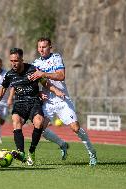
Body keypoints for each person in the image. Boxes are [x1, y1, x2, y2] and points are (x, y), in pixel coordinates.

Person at [29, 37, 97, 166]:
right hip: (48, 101)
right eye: (39, 47)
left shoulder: (56, 57)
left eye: (44, 47)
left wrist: (43, 74)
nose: (41, 49)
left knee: (75, 128)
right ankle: (62, 144)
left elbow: (61, 76)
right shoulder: (36, 63)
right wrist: (39, 92)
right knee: (40, 128)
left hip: (62, 99)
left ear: (50, 47)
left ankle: (92, 152)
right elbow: (33, 82)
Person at [0, 48, 64, 166]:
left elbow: (45, 83)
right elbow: (3, 88)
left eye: (16, 60)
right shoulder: (9, 74)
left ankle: (32, 150)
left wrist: (56, 91)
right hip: (19, 103)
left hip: (34, 102)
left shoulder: (32, 69)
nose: (13, 63)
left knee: (39, 123)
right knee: (16, 121)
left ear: (22, 60)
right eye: (11, 61)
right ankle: (21, 153)